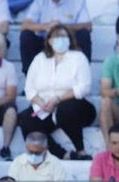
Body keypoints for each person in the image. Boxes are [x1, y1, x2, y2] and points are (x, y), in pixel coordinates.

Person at [18, 25, 97, 160]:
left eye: (63, 36)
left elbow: (84, 87)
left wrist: (57, 100)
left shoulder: (78, 57)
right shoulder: (40, 59)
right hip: (44, 107)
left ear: (69, 39)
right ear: (49, 40)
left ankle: (81, 150)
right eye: (56, 36)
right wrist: (42, 103)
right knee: (25, 119)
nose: (60, 40)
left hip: (74, 106)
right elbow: (29, 88)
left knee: (65, 110)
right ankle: (63, 154)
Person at [19, 0, 93, 73]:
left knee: (84, 34)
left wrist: (62, 27)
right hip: (45, 42)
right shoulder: (40, 2)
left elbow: (88, 26)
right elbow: (24, 25)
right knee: (26, 35)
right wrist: (45, 26)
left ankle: (83, 72)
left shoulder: (78, 2)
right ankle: (29, 74)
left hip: (68, 41)